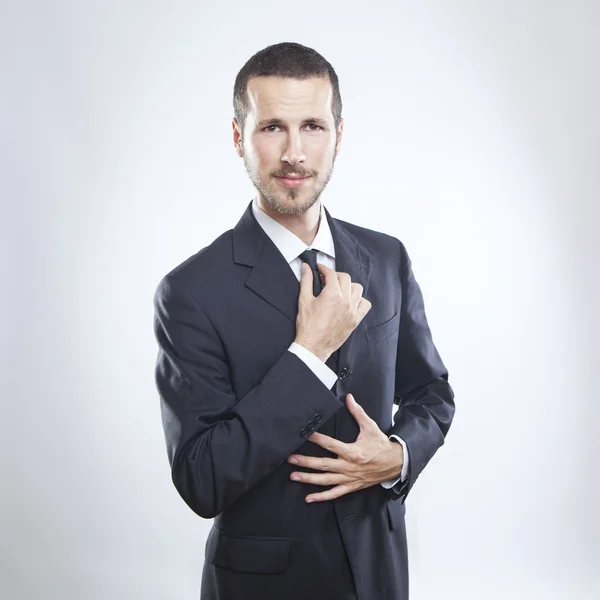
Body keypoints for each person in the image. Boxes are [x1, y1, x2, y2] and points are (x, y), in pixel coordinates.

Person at [153, 41, 455, 600]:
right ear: (240, 137)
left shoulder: (387, 259)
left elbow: (432, 392)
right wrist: (307, 357)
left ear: (339, 134)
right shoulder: (190, 292)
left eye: (312, 125)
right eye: (272, 128)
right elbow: (201, 479)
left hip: (379, 575)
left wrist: (398, 456)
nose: (295, 151)